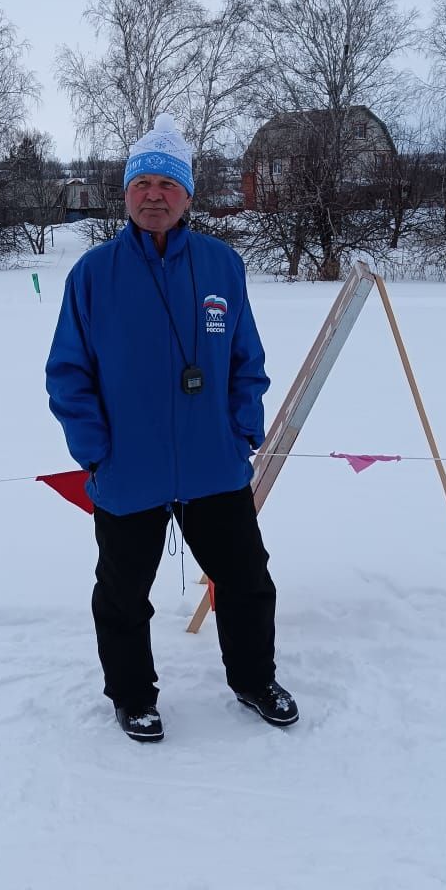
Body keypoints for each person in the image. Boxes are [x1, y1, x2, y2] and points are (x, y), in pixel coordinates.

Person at [45, 114, 298, 742]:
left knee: (246, 582)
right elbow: (68, 374)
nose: (153, 194)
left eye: (168, 183)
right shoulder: (93, 276)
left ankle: (253, 680)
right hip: (128, 468)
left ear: (188, 195)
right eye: (142, 183)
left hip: (215, 462)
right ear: (126, 192)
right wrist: (95, 451)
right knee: (123, 595)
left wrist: (243, 425)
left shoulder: (220, 266)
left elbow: (247, 358)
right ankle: (132, 696)